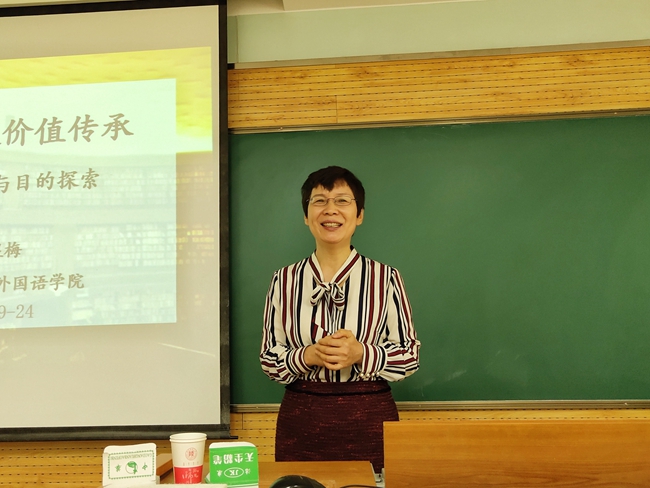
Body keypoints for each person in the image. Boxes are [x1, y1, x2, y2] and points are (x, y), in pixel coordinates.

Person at [260, 165, 420, 473]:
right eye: (319, 201)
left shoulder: (385, 277)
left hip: (369, 419)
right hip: (301, 420)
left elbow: (409, 356)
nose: (330, 210)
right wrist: (307, 355)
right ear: (306, 215)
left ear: (359, 215)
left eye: (342, 201)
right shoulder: (284, 280)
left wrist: (361, 353)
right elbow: (269, 358)